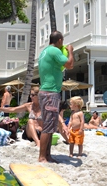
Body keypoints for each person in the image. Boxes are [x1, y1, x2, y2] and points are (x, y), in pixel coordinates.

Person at [37, 31, 74, 163]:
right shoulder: (54, 51)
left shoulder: (44, 52)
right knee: (48, 126)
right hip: (50, 92)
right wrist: (70, 51)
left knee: (51, 125)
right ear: (59, 40)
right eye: (62, 42)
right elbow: (70, 64)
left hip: (45, 92)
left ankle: (47, 155)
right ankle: (42, 157)